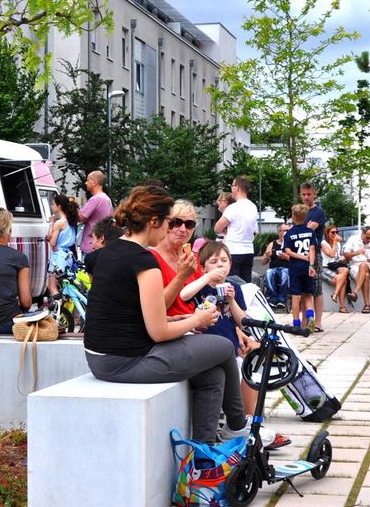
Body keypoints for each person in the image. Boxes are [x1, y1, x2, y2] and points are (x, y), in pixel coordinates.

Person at [83, 185, 248, 445]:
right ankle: (238, 427)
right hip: (126, 362)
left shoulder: (112, 251)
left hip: (101, 357)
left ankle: (203, 455)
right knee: (225, 347)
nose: (171, 229)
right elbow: (158, 333)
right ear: (154, 221)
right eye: (169, 223)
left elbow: (130, 310)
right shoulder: (143, 261)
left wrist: (178, 319)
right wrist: (197, 320)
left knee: (212, 376)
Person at [183, 241, 291, 451]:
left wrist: (232, 301)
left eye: (224, 261)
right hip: (210, 348)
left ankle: (245, 422)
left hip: (231, 347)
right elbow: (184, 295)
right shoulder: (201, 287)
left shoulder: (235, 289)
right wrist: (206, 278)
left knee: (252, 366)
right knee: (239, 369)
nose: (220, 266)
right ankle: (240, 425)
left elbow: (242, 322)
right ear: (203, 266)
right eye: (214, 262)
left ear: (231, 265)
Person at [149, 200, 204, 317]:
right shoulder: (150, 258)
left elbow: (203, 296)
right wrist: (181, 277)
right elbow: (155, 309)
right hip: (171, 329)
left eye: (189, 224)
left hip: (197, 325)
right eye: (177, 222)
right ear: (166, 224)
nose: (183, 229)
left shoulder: (192, 258)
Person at [215, 175, 259, 281]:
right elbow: (254, 231)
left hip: (234, 250)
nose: (231, 188)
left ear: (237, 188)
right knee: (246, 284)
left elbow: (217, 228)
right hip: (248, 250)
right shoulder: (253, 207)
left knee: (232, 284)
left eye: (232, 186)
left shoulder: (232, 208)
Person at [283, 204, 317, 327]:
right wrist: (311, 265)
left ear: (293, 216)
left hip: (295, 268)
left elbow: (287, 251)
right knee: (307, 294)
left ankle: (296, 323)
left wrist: (301, 257)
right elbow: (312, 250)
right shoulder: (310, 232)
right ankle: (310, 316)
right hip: (308, 267)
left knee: (296, 297)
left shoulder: (289, 234)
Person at [301, 183, 329, 322]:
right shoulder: (300, 210)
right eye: (303, 194)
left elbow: (307, 230)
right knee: (302, 290)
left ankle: (318, 322)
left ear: (314, 194)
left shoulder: (318, 211)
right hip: (300, 253)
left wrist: (300, 227)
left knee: (316, 288)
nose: (306, 197)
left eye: (309, 194)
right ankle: (304, 322)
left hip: (314, 253)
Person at [342, 226, 370, 311]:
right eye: (367, 237)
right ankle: (367, 305)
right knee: (366, 275)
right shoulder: (353, 239)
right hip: (354, 265)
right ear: (362, 233)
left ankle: (355, 292)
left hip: (368, 265)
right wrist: (357, 252)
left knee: (364, 265)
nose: (369, 240)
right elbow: (346, 255)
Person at [47, 195, 80, 296]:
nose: (51, 206)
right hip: (68, 255)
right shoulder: (71, 221)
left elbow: (52, 242)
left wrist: (51, 223)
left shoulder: (59, 223)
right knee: (65, 286)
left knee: (52, 287)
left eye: (53, 204)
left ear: (59, 206)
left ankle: (58, 308)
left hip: (58, 256)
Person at [77, 170, 113, 257]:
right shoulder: (106, 198)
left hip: (90, 247)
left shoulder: (96, 199)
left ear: (94, 182)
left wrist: (71, 208)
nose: (86, 183)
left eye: (88, 180)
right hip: (100, 245)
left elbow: (81, 218)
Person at [320, 226, 350, 313]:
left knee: (345, 270)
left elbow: (337, 257)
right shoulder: (323, 243)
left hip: (334, 266)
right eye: (332, 232)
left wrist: (344, 258)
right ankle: (342, 307)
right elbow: (331, 255)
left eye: (336, 232)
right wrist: (335, 242)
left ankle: (335, 294)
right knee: (343, 281)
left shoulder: (338, 244)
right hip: (324, 267)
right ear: (327, 234)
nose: (335, 234)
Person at [263, 223, 292, 309]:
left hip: (286, 268)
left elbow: (295, 260)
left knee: (285, 272)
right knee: (269, 272)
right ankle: (272, 298)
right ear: (279, 232)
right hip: (273, 269)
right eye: (286, 230)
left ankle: (281, 299)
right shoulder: (272, 244)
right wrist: (267, 255)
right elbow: (263, 262)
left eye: (289, 230)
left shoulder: (291, 244)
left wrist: (286, 257)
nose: (288, 232)